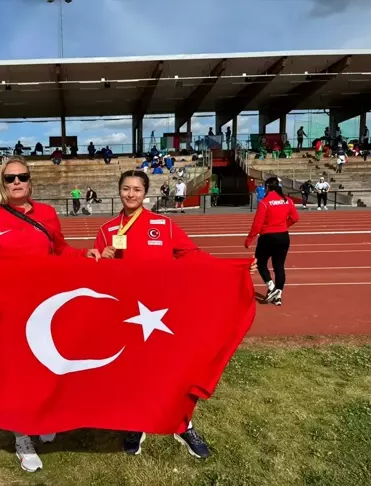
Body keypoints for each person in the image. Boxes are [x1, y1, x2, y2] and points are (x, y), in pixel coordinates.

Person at [94, 170, 257, 459]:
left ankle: (183, 424)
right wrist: (101, 257)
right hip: (127, 315)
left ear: (146, 193)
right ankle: (135, 423)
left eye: (137, 190)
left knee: (172, 371)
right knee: (133, 372)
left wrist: (233, 267)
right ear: (119, 191)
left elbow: (192, 256)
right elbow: (96, 279)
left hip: (162, 314)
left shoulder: (163, 225)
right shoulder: (107, 230)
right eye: (126, 189)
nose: (131, 195)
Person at [0, 157, 101, 473]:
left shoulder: (47, 214)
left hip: (45, 307)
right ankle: (22, 437)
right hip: (9, 310)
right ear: (2, 184)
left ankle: (43, 418)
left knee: (47, 367)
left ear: (30, 180)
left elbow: (60, 250)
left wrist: (83, 254)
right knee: (18, 374)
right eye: (10, 178)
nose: (17, 182)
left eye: (22, 176)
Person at [244, 177, 299, 306]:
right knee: (279, 266)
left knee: (261, 262)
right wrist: (284, 226)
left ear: (268, 187)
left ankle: (271, 286)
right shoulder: (287, 200)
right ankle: (278, 294)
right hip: (283, 237)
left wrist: (249, 239)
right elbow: (295, 218)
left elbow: (257, 223)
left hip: (267, 237)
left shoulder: (265, 202)